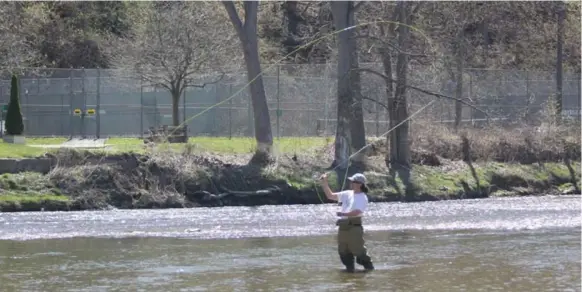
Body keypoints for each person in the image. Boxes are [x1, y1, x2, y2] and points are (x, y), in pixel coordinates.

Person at [320, 172, 375, 272]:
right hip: (343, 227)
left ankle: (369, 269)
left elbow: (357, 212)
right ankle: (350, 270)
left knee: (358, 250)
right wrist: (325, 183)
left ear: (360, 184)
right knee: (343, 251)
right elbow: (330, 196)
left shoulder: (363, 197)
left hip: (354, 227)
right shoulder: (347, 193)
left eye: (353, 181)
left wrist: (343, 214)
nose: (351, 183)